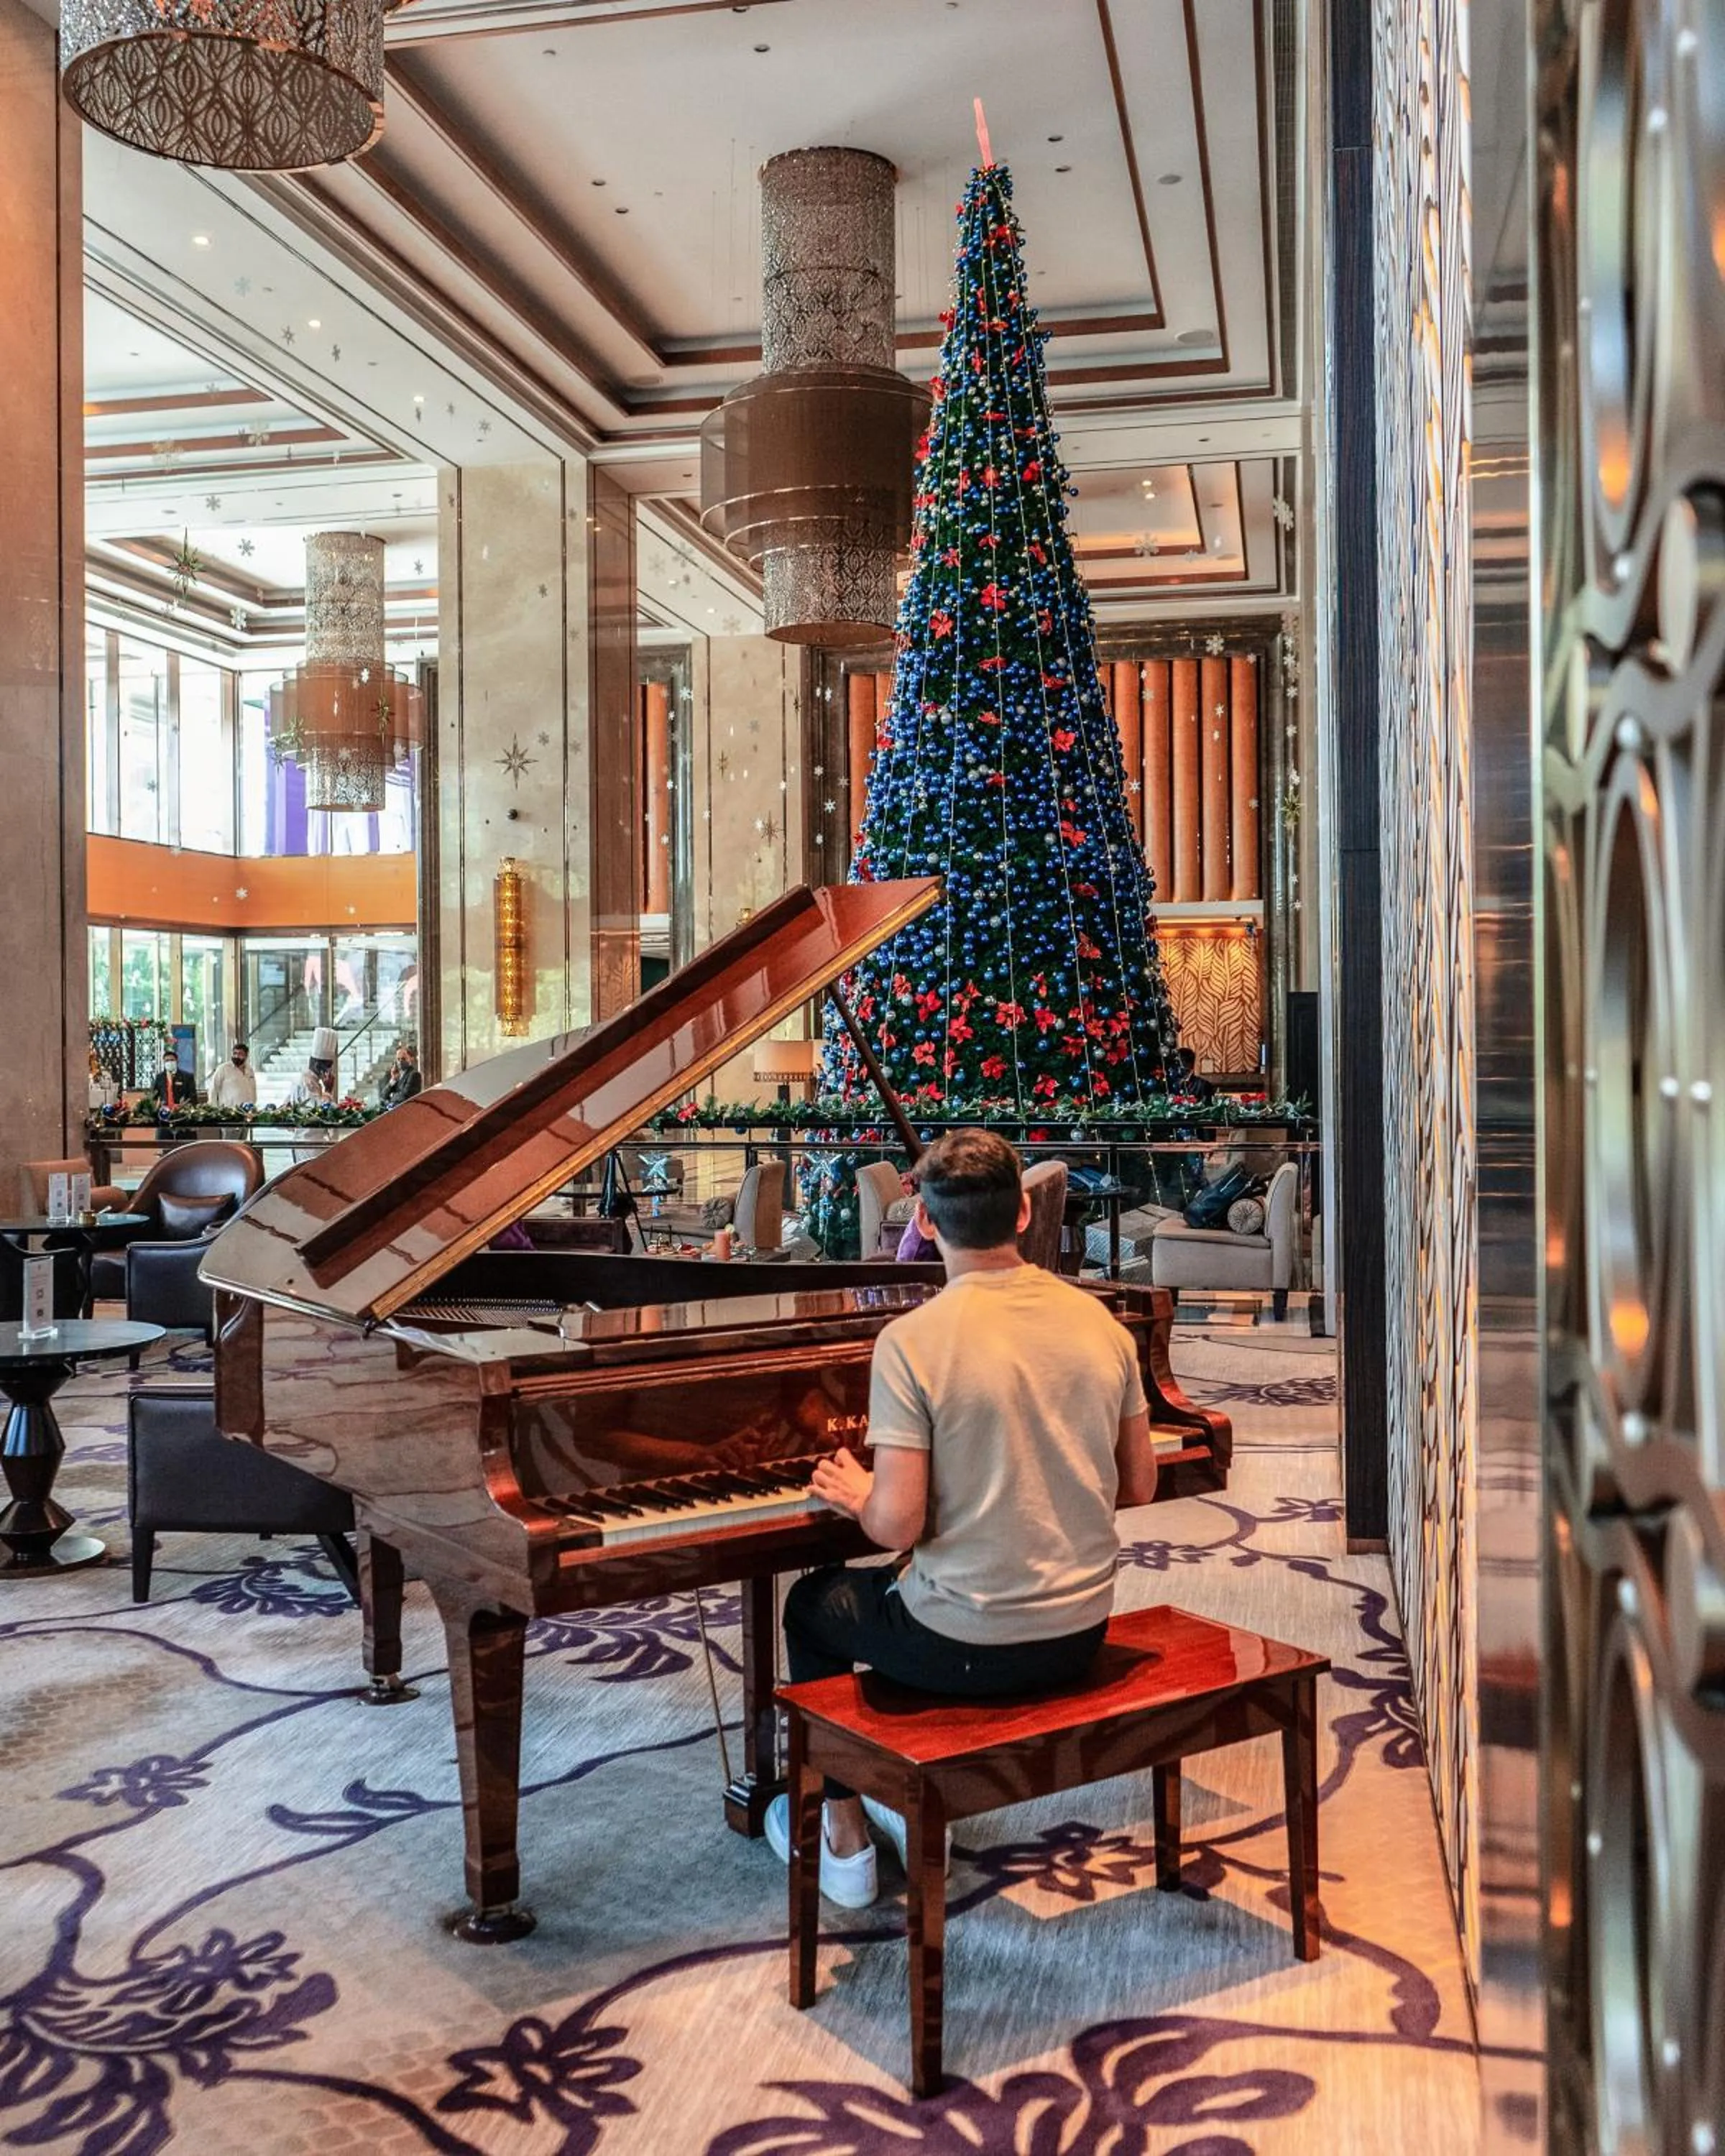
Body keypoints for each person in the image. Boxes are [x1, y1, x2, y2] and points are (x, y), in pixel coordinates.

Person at [764, 1127, 1159, 1908]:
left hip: (965, 1649)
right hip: (1081, 1632)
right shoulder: (1103, 1325)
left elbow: (897, 1527)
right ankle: (888, 1787)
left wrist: (859, 1493)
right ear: (1022, 1215)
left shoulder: (911, 1341)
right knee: (893, 1589)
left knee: (813, 1604)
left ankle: (844, 1832)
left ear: (926, 1223)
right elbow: (1139, 1485)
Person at [290, 1026, 340, 1106]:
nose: (330, 1070)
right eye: (328, 1066)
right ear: (317, 1065)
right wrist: (328, 1090)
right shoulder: (309, 1083)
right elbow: (319, 1110)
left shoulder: (310, 1079)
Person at [206, 1041, 257, 1111]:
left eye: (240, 1054)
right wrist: (214, 1108)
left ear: (246, 1056)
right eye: (235, 1053)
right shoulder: (223, 1068)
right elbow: (213, 1089)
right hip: (229, 1111)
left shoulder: (250, 1070)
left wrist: (253, 1104)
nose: (237, 1056)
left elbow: (253, 1088)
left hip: (248, 1111)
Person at [379, 1040, 423, 1109]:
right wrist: (393, 1080)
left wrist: (392, 1095)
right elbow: (383, 1096)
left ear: (411, 1059)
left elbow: (406, 1096)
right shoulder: (397, 1076)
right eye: (398, 1059)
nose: (400, 1061)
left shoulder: (414, 1075)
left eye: (403, 1059)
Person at [86, 1049, 119, 1114]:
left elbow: (107, 1085)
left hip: (103, 1099)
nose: (94, 1062)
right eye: (91, 1059)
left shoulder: (103, 1073)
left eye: (94, 1058)